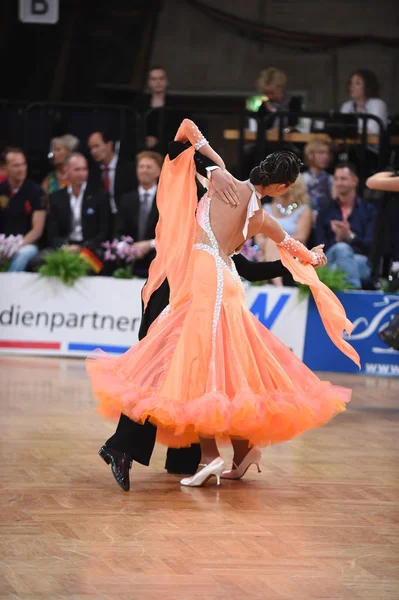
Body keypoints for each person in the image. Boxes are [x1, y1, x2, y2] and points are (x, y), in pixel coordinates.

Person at [87, 119, 359, 490]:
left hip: (202, 283)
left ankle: (204, 455)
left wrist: (214, 163)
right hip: (216, 282)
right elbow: (285, 248)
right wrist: (310, 257)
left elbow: (185, 129)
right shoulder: (259, 214)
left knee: (191, 363)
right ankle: (234, 451)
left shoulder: (221, 185)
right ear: (281, 187)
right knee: (222, 365)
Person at [316, 163, 377, 289]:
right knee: (341, 248)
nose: (338, 183)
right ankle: (353, 291)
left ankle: (349, 289)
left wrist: (350, 236)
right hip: (330, 261)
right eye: (336, 179)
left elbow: (372, 247)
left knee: (350, 263)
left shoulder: (369, 211)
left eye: (343, 179)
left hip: (361, 261)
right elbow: (318, 248)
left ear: (355, 181)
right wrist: (337, 241)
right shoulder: (325, 212)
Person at [45, 153, 109, 255]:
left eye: (84, 169)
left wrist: (83, 247)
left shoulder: (100, 195)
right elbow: (52, 234)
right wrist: (64, 247)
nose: (81, 174)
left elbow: (104, 232)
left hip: (90, 248)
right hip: (65, 247)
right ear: (67, 170)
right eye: (77, 170)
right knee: (39, 259)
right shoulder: (56, 198)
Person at [255, 175, 312, 285]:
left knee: (273, 241)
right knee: (270, 243)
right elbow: (259, 237)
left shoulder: (303, 210)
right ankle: (279, 286)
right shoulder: (266, 208)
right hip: (267, 250)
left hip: (293, 251)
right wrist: (266, 244)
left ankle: (277, 285)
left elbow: (301, 237)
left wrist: (279, 241)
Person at [115, 151, 163, 278]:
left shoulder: (167, 199)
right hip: (129, 260)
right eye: (141, 167)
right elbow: (118, 231)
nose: (144, 170)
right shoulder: (126, 199)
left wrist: (150, 244)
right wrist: (126, 247)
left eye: (149, 167)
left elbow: (173, 233)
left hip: (158, 258)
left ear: (158, 172)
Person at [0, 147, 47, 271]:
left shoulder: (36, 191)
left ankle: (11, 287)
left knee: (22, 255)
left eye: (23, 164)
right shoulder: (1, 190)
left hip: (28, 244)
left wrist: (17, 245)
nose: (21, 169)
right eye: (16, 166)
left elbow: (37, 230)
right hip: (2, 242)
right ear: (5, 168)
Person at [87, 131, 136, 235]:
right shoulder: (93, 172)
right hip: (102, 222)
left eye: (96, 146)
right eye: (91, 148)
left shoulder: (129, 168)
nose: (93, 151)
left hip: (126, 221)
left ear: (109, 145)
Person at [340, 69, 388, 135]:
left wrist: (350, 131)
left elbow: (373, 130)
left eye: (357, 83)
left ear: (368, 86)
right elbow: (341, 129)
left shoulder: (378, 104)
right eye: (351, 83)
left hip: (371, 145)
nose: (352, 86)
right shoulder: (346, 106)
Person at [302, 137, 333, 215]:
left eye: (328, 153)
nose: (326, 157)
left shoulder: (332, 179)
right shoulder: (301, 179)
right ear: (311, 154)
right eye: (321, 153)